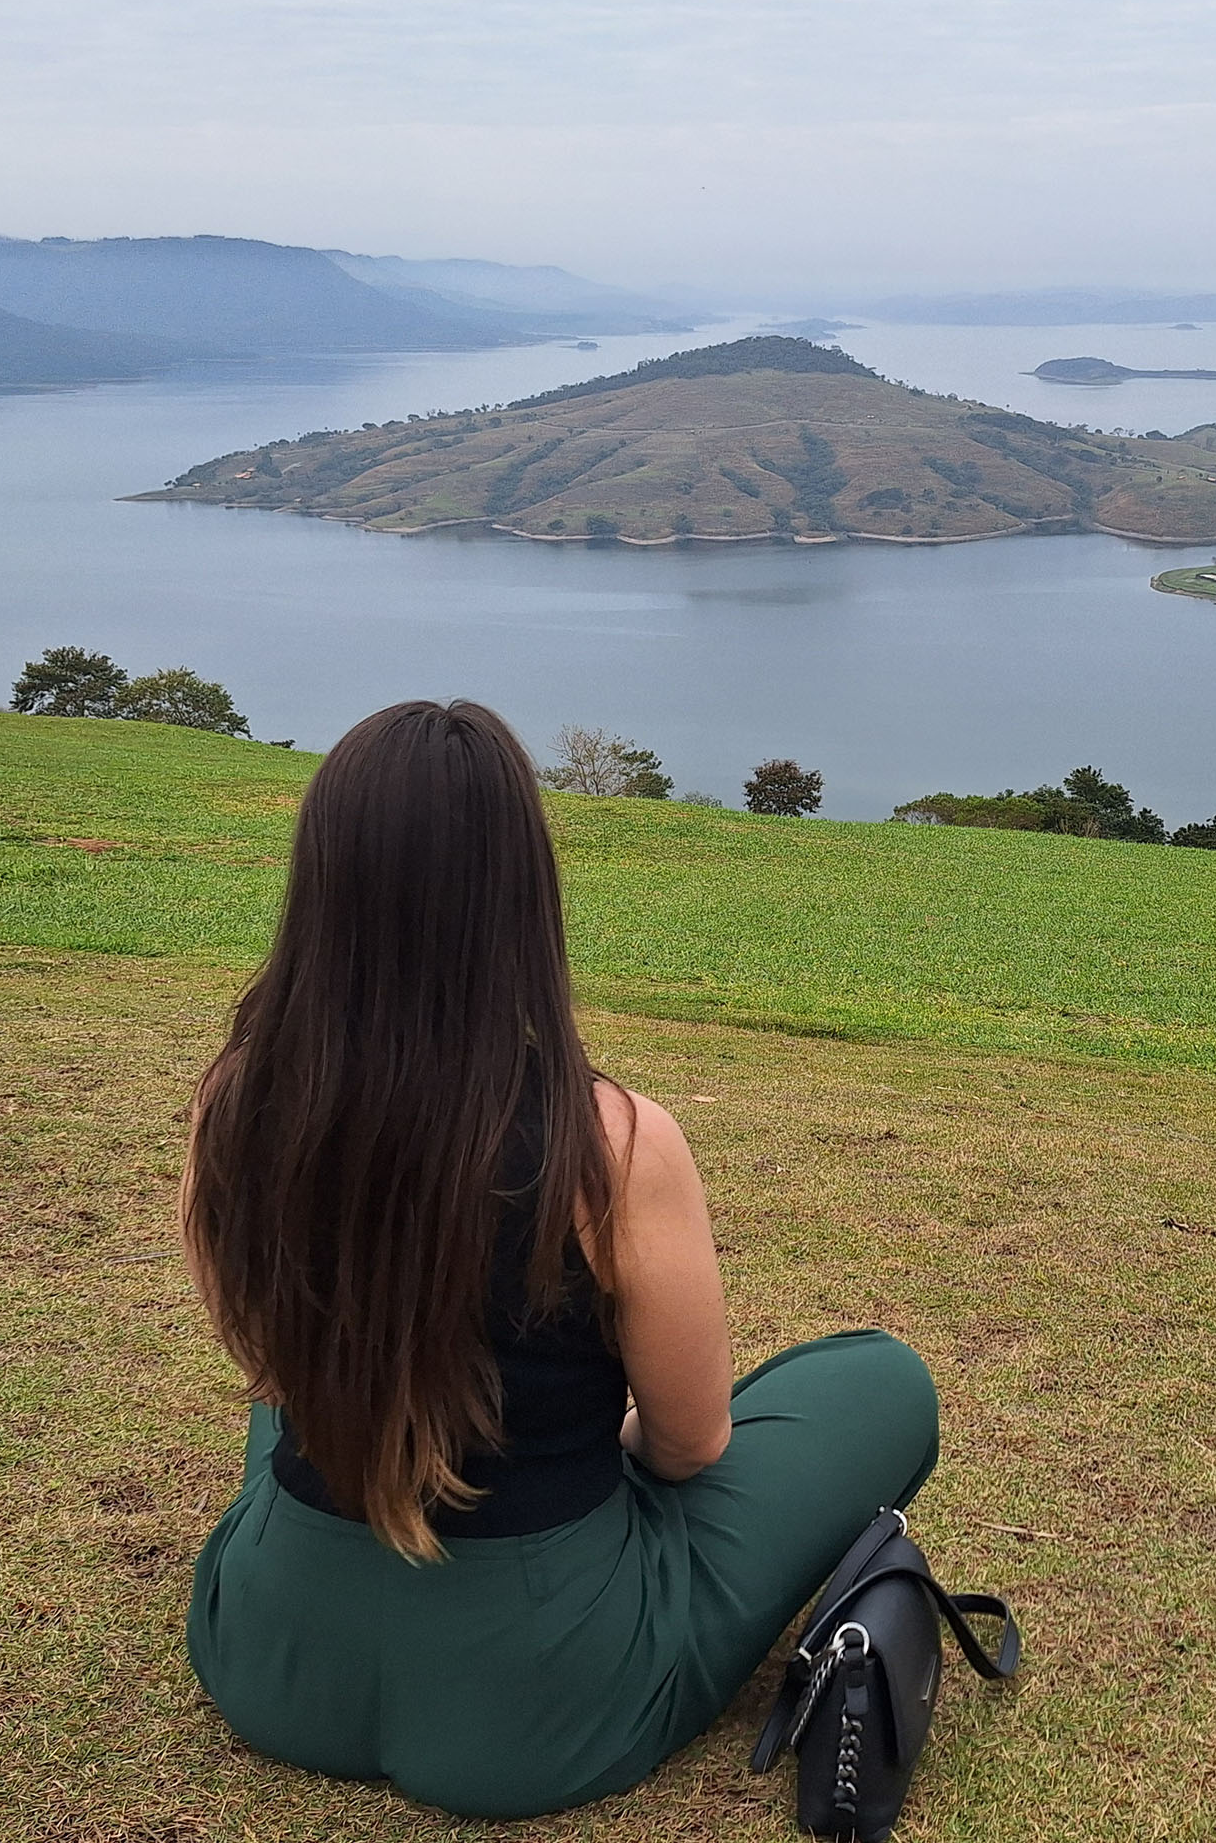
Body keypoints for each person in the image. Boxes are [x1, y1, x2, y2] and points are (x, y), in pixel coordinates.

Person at [182, 699, 938, 1817]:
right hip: (542, 1697)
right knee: (879, 1380)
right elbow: (687, 1447)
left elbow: (264, 1370)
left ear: (321, 882)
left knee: (312, 1383)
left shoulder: (234, 1099)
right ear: (523, 900)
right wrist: (597, 1440)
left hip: (271, 1656)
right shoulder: (612, 1144)